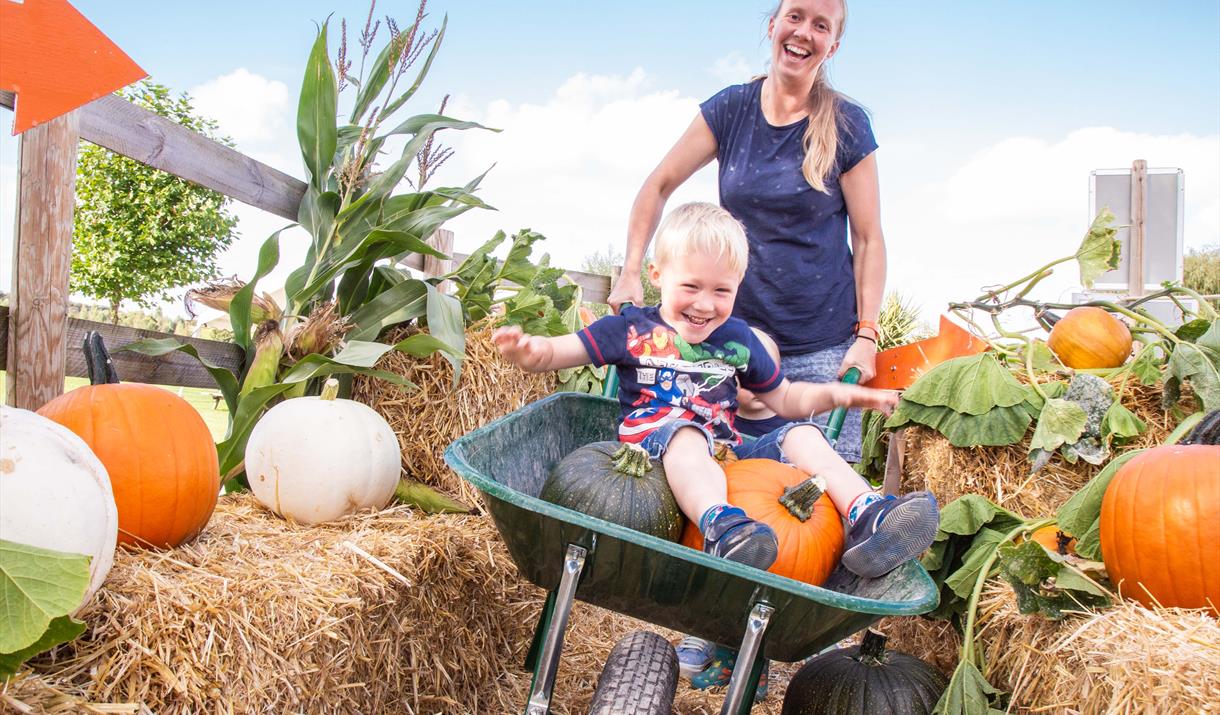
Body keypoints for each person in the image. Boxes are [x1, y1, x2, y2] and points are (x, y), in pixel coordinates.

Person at [494, 200, 937, 580]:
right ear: (656, 274)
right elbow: (561, 351)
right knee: (688, 434)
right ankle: (720, 528)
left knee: (802, 433)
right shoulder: (630, 329)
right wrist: (533, 352)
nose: (705, 304)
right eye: (691, 286)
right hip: (651, 459)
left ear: (738, 287)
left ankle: (867, 514)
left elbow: (785, 400)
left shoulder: (738, 340)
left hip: (723, 460)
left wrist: (841, 395)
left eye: (721, 290)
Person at [606, 0, 881, 465]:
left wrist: (867, 335)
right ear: (773, 25)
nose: (803, 33)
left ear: (832, 46)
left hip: (820, 344)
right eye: (794, 16)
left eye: (820, 26)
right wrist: (632, 270)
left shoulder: (847, 125)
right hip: (734, 342)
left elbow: (870, 237)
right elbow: (658, 185)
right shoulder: (732, 110)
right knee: (725, 473)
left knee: (812, 500)